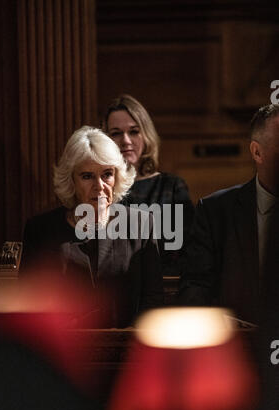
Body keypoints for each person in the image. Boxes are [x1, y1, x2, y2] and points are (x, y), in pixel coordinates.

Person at [21, 126, 163, 328]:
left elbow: (153, 301)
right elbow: (29, 306)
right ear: (71, 180)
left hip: (124, 351)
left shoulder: (142, 224)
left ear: (117, 177)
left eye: (106, 174)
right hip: (63, 352)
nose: (99, 185)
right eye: (87, 176)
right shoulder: (40, 230)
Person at [179, 104, 279, 325]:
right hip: (241, 346)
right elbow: (194, 288)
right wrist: (217, 323)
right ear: (257, 152)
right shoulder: (215, 211)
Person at [102, 94, 194, 276]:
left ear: (146, 135)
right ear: (106, 139)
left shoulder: (172, 187)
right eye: (116, 133)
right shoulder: (99, 188)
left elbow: (188, 252)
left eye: (134, 131)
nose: (126, 141)